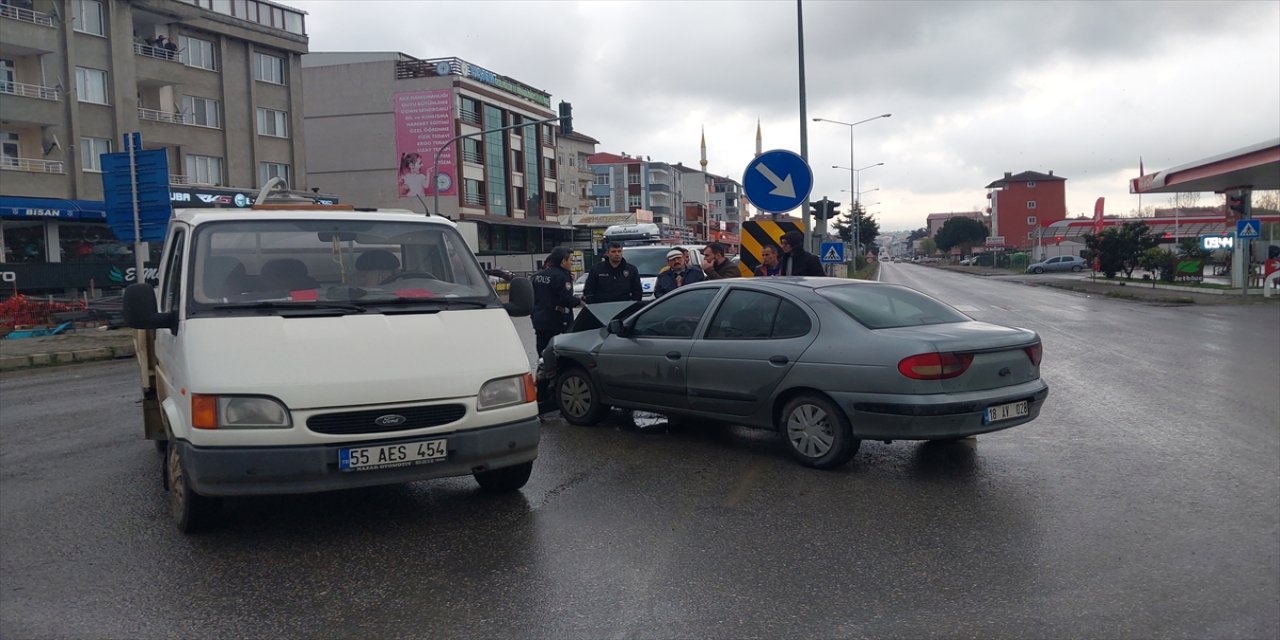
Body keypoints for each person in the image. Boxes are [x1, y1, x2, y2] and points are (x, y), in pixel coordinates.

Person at [531, 247, 580, 354]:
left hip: (539, 320)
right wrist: (580, 302)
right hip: (558, 322)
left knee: (542, 351)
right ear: (563, 261)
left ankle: (542, 368)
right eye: (570, 260)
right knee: (559, 353)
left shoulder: (537, 275)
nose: (572, 263)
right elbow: (566, 299)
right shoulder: (562, 276)